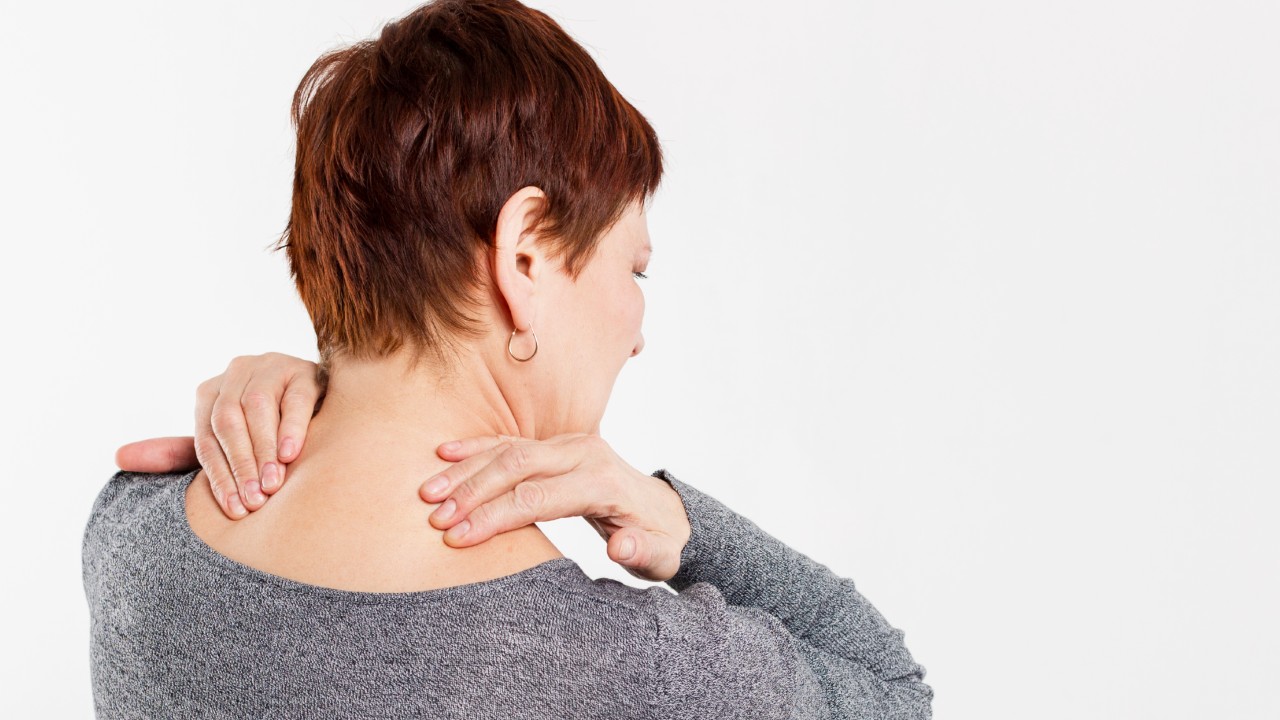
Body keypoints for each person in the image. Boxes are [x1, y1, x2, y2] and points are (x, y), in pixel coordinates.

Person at [85, 0, 933, 717]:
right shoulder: (634, 672)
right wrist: (681, 526)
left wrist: (331, 384)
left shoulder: (131, 534)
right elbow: (893, 691)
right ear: (525, 256)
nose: (637, 329)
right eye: (633, 267)